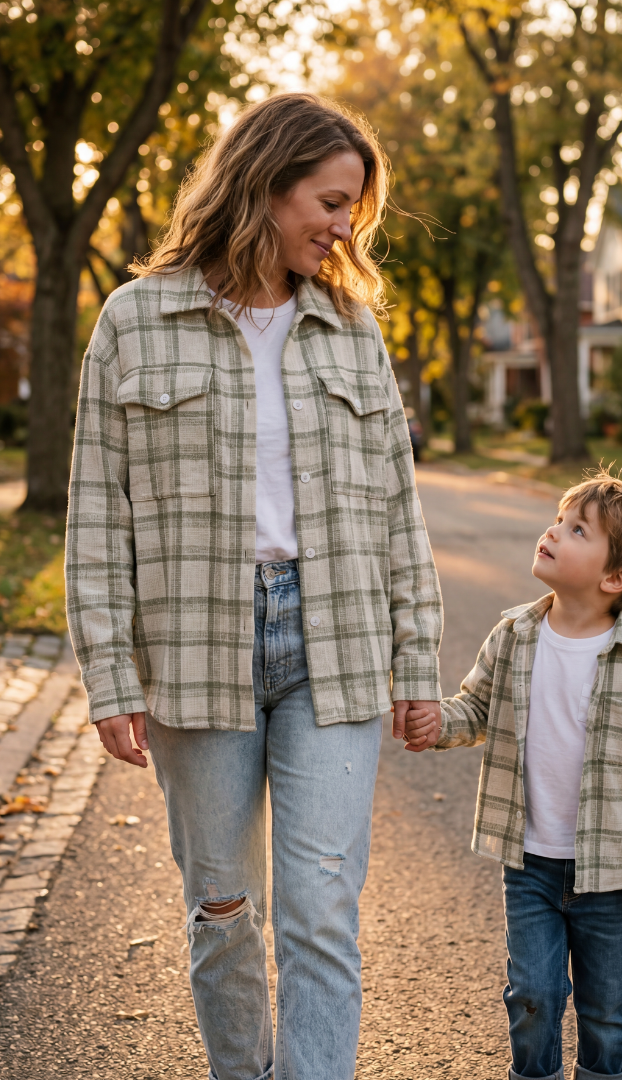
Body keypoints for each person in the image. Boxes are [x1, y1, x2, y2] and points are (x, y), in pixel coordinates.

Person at [65, 93, 443, 1080]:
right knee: (223, 907)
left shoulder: (350, 329)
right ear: (266, 186)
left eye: (354, 208)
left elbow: (396, 509)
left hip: (335, 643)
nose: (345, 228)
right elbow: (98, 513)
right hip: (196, 649)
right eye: (331, 201)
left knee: (321, 909)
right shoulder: (136, 321)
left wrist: (418, 663)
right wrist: (109, 674)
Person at [405, 471, 622, 1080]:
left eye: (578, 530)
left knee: (605, 1009)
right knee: (532, 993)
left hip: (611, 875)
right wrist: (438, 723)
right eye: (560, 520)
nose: (554, 531)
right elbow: (477, 708)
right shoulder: (514, 636)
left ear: (615, 579)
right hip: (530, 862)